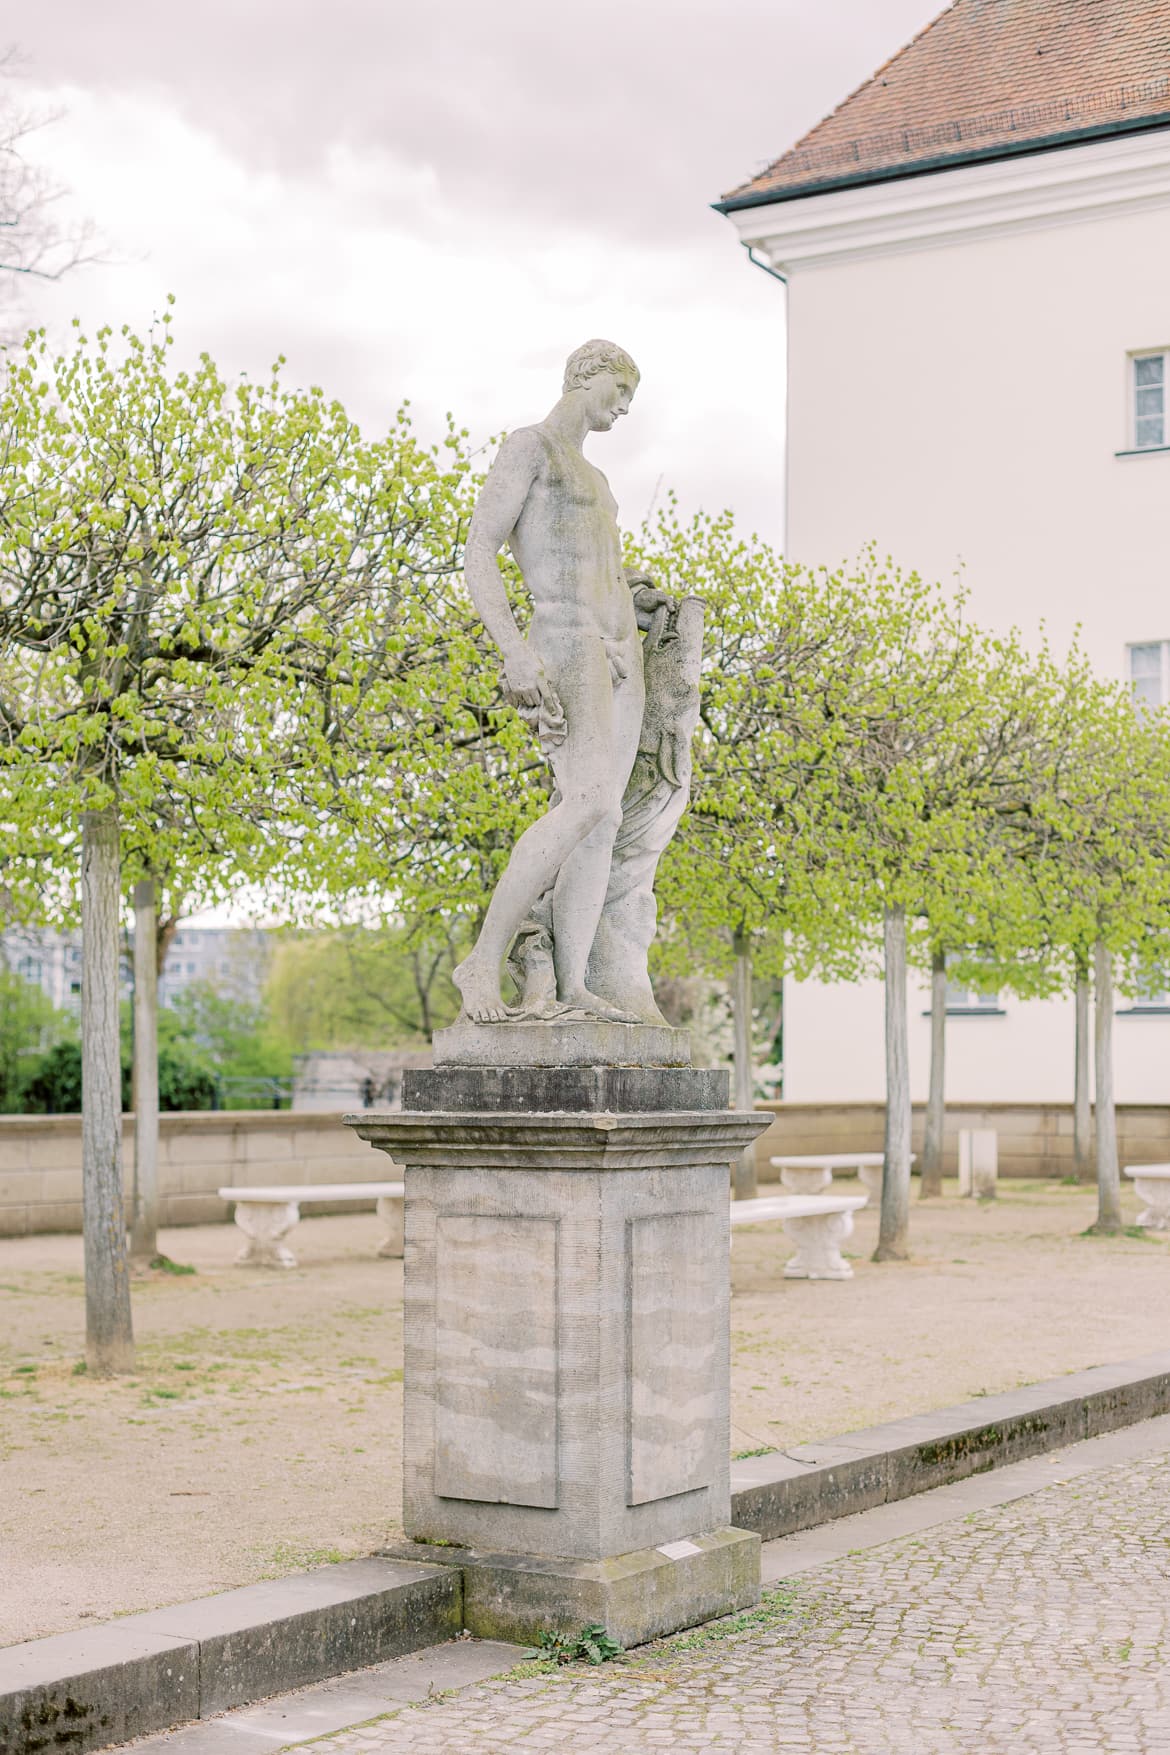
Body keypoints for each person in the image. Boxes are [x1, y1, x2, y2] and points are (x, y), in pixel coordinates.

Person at [452, 339, 672, 1024]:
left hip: (618, 654)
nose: (625, 407)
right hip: (565, 642)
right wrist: (514, 650)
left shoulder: (600, 483)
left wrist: (635, 599)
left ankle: (575, 984)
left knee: (603, 817)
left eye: (632, 398)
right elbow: (479, 551)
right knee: (582, 800)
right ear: (586, 374)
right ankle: (482, 962)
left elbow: (598, 570)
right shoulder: (532, 449)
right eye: (620, 389)